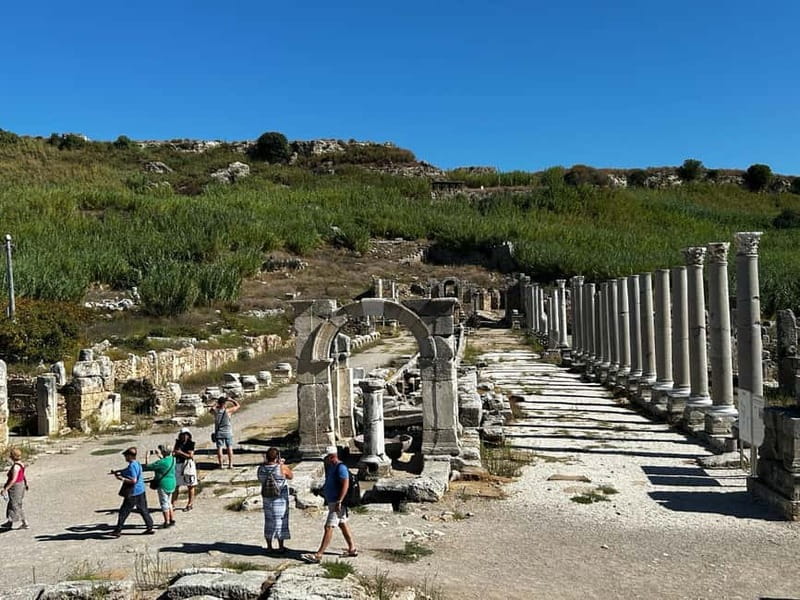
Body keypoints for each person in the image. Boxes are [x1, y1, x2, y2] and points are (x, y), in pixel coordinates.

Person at [302, 446, 357, 563]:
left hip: (337, 503)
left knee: (328, 527)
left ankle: (318, 554)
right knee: (342, 524)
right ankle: (352, 549)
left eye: (326, 457)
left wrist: (339, 501)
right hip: (333, 501)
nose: (324, 460)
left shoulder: (341, 468)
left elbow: (345, 485)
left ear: (332, 457)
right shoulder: (332, 467)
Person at [110, 447, 154, 537]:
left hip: (133, 492)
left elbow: (133, 480)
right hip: (141, 490)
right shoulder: (136, 463)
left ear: (130, 456)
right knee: (143, 509)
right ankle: (150, 526)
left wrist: (121, 478)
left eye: (126, 456)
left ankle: (118, 530)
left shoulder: (132, 466)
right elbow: (127, 471)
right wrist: (119, 471)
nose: (125, 457)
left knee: (123, 512)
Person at [256, 447, 293, 553]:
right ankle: (281, 547)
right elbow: (290, 476)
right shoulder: (282, 468)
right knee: (280, 521)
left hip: (267, 498)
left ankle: (269, 546)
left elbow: (260, 479)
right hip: (280, 499)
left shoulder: (261, 468)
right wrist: (281, 464)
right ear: (277, 457)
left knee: (268, 521)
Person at [143, 445, 177, 528]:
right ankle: (172, 519)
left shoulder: (161, 462)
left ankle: (167, 521)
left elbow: (148, 466)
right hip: (172, 482)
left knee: (164, 503)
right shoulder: (173, 459)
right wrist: (160, 456)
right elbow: (165, 462)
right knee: (169, 502)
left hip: (163, 484)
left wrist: (147, 457)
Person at [1, 447, 29, 530]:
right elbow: (23, 475)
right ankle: (10, 521)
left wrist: (5, 489)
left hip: (16, 487)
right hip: (21, 484)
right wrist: (26, 483)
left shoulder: (16, 467)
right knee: (12, 503)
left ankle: (25, 522)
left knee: (15, 504)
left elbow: (13, 480)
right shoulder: (21, 464)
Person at [210, 395, 240, 469]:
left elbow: (211, 409)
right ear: (225, 404)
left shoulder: (216, 412)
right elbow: (238, 405)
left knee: (219, 448)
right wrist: (231, 400)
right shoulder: (228, 411)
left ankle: (221, 465)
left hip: (219, 432)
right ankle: (230, 464)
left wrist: (216, 403)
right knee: (229, 447)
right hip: (228, 432)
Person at [172, 428, 197, 511]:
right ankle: (173, 504)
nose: (184, 436)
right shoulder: (178, 443)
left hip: (187, 465)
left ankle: (190, 503)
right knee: (176, 485)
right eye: (183, 434)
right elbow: (174, 452)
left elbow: (190, 455)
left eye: (186, 434)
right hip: (178, 464)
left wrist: (180, 453)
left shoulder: (190, 444)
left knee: (190, 485)